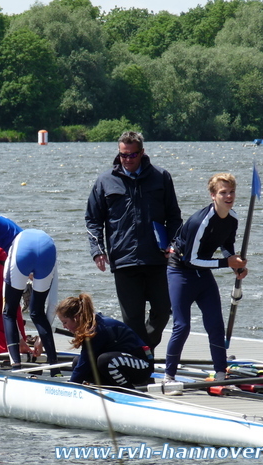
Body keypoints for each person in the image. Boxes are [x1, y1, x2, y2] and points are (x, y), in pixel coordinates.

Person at [85, 131, 182, 350]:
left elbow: (174, 216)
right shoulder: (105, 180)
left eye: (132, 155)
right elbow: (92, 219)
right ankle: (141, 360)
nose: (127, 159)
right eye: (123, 155)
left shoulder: (161, 177)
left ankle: (140, 350)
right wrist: (97, 250)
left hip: (158, 258)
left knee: (164, 309)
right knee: (132, 319)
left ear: (142, 153)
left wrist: (174, 244)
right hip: (124, 260)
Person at [163, 173, 248, 394]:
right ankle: (168, 376)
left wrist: (236, 265)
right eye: (223, 192)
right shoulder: (199, 222)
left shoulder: (233, 219)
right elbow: (190, 260)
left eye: (231, 192)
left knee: (215, 325)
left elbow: (227, 245)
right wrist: (225, 262)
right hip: (181, 272)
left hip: (203, 274)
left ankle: (221, 373)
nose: (228, 196)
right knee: (182, 326)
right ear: (213, 195)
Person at [56, 293, 152, 388]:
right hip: (122, 362)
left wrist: (71, 387)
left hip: (142, 366)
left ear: (76, 318)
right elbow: (83, 363)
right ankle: (108, 387)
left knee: (105, 361)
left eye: (65, 322)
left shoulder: (98, 328)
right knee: (77, 362)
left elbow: (85, 363)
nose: (64, 327)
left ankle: (127, 390)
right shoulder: (90, 325)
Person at [2, 229, 60, 375]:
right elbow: (53, 304)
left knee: (8, 312)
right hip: (47, 251)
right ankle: (55, 368)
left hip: (22, 252)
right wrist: (41, 340)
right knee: (37, 312)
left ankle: (15, 365)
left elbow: (9, 311)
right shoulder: (52, 258)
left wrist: (20, 339)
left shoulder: (14, 249)